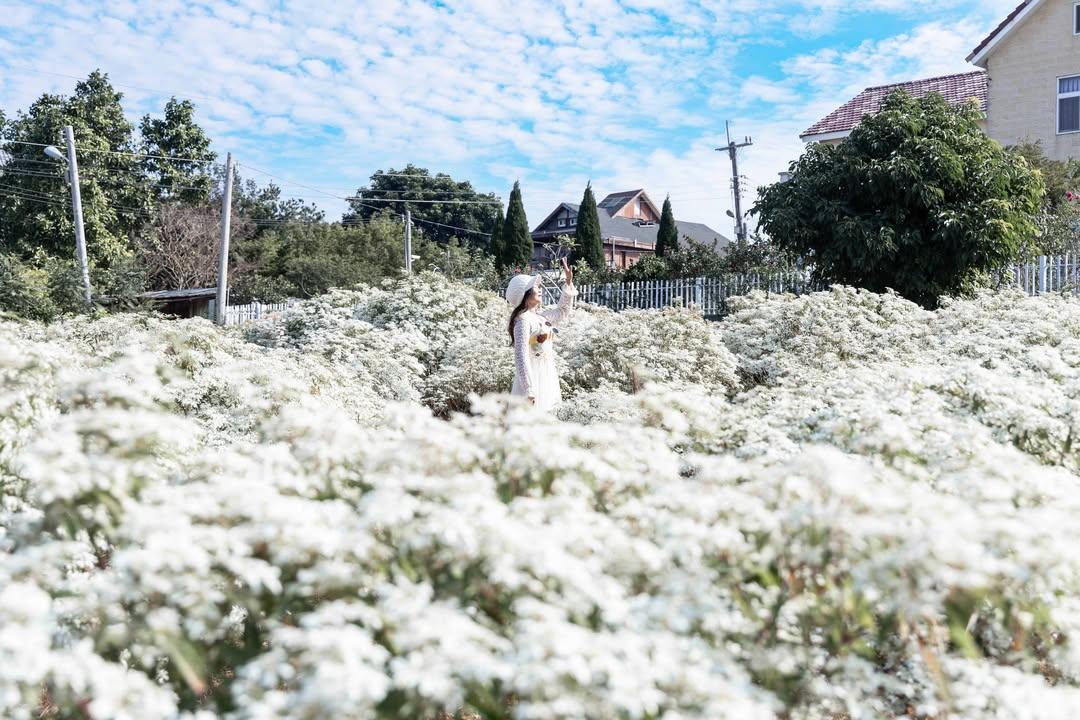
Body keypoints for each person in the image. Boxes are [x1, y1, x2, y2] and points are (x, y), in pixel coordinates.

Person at [505, 257, 576, 410]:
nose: (540, 289)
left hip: (547, 374)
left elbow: (563, 311)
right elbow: (521, 356)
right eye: (536, 287)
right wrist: (529, 389)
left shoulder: (541, 318)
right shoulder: (523, 321)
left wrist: (568, 282)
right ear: (526, 295)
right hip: (533, 378)